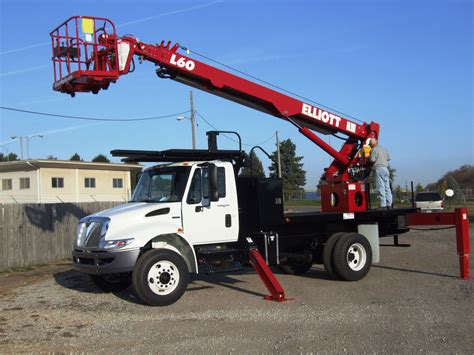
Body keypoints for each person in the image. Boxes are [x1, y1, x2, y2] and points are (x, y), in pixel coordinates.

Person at [369, 138, 393, 209]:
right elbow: (388, 158)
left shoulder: (374, 149)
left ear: (372, 144)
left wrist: (368, 158)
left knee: (381, 187)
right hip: (386, 169)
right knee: (387, 187)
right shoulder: (384, 149)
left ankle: (383, 205)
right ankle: (389, 204)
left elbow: (372, 160)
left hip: (379, 169)